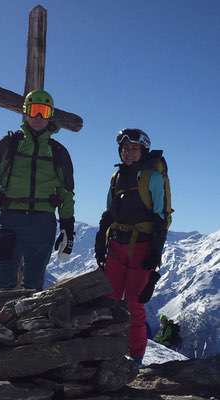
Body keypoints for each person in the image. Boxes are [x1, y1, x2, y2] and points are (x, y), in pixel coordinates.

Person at [0, 89, 75, 290]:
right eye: (34, 110)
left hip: (42, 223)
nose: (38, 117)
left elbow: (66, 194)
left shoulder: (59, 152)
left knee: (34, 284)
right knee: (4, 280)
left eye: (44, 112)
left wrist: (68, 229)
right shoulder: (8, 145)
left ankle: (31, 322)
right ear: (25, 112)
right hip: (9, 220)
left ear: (50, 116)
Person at [95, 128, 171, 366]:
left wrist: (155, 251)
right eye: (125, 148)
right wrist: (101, 243)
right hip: (117, 245)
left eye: (134, 148)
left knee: (134, 304)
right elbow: (109, 214)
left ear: (143, 150)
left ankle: (135, 357)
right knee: (109, 301)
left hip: (141, 248)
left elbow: (161, 216)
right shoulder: (117, 178)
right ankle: (107, 351)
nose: (129, 152)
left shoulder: (153, 178)